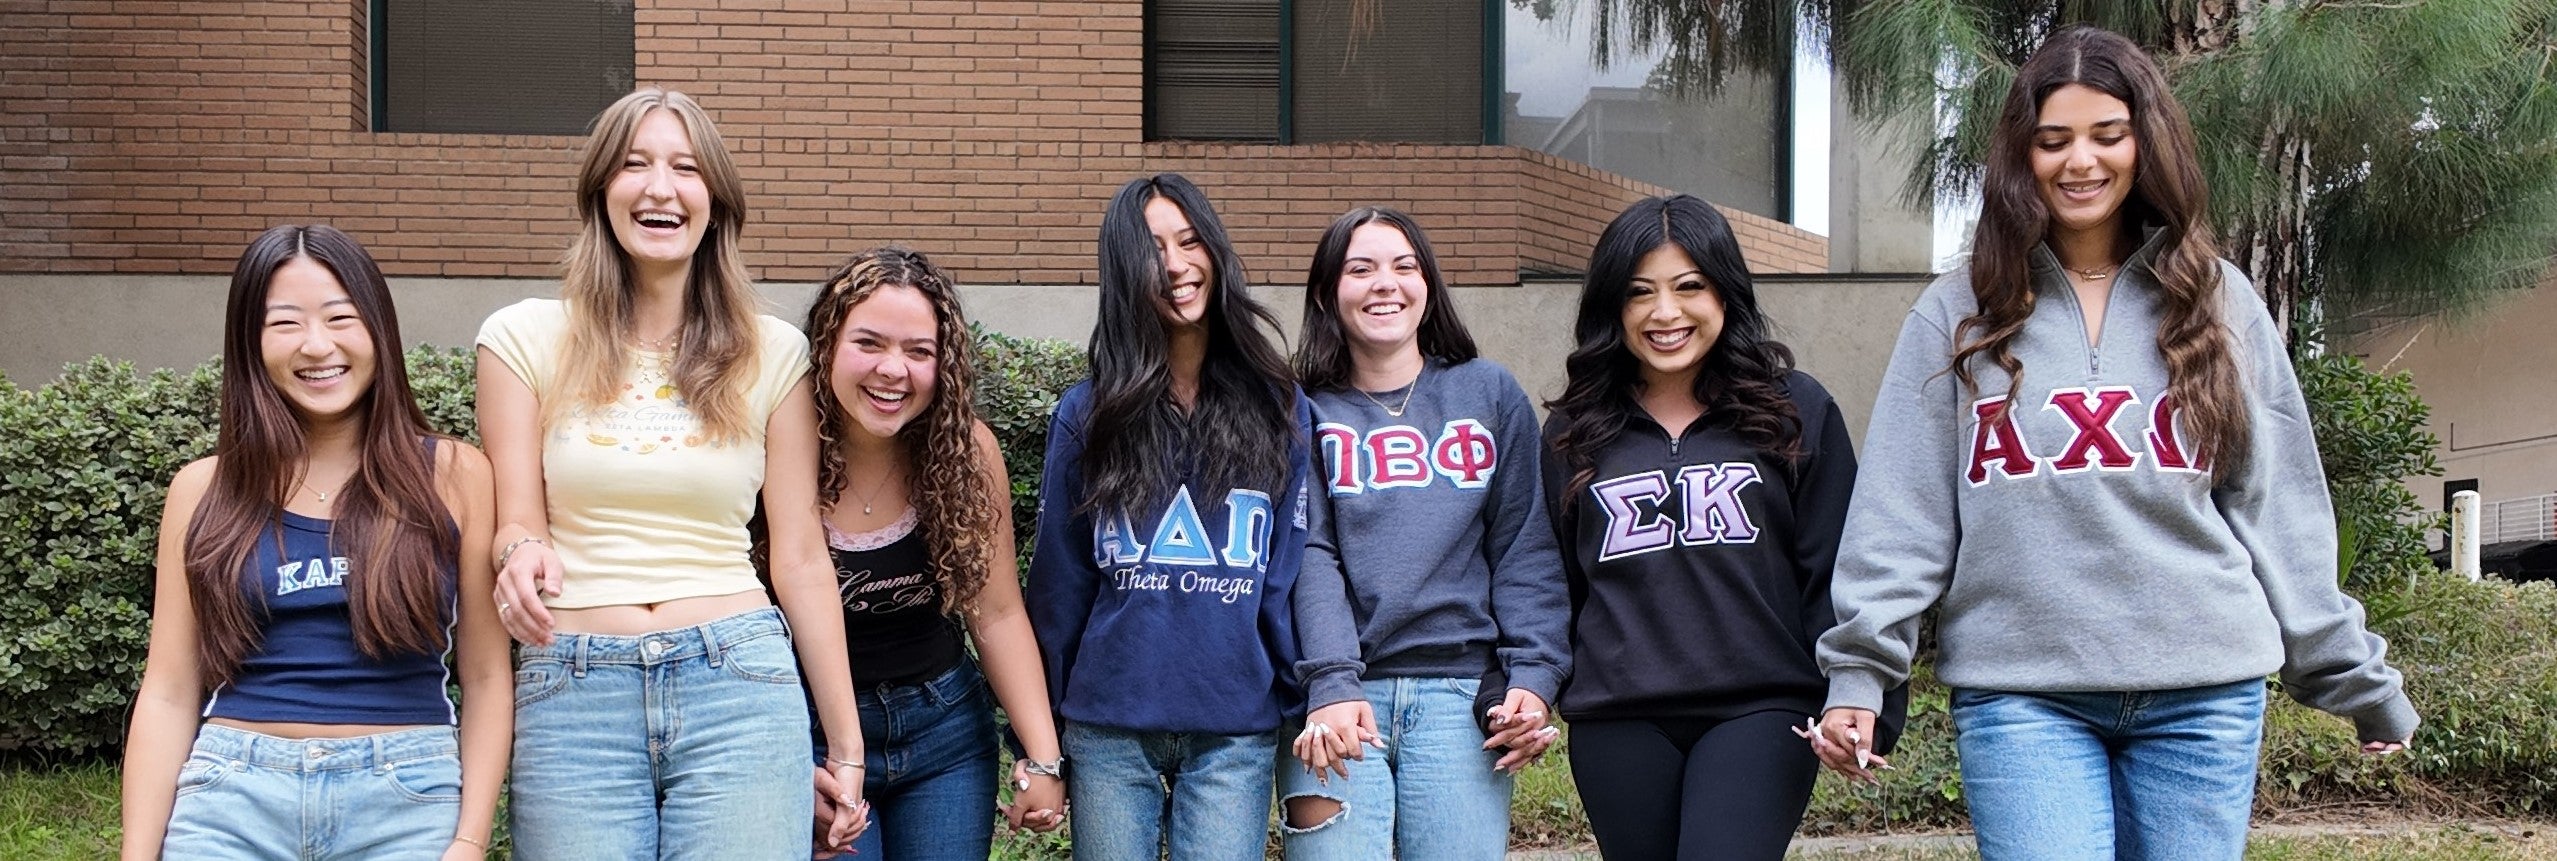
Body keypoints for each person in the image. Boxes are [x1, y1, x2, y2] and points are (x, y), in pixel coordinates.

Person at [1811, 25, 2418, 861]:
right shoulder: (1958, 312)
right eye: (2052, 141)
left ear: (2146, 143)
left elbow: (2277, 508)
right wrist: (1859, 675)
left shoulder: (2218, 301)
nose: (2080, 162)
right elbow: (1902, 513)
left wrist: (2355, 679)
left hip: (2200, 690)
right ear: (2021, 156)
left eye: (2107, 134)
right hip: (2022, 694)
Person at [473, 87, 867, 858]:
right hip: (573, 686)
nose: (661, 187)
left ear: (715, 200)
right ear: (601, 193)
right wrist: (518, 555)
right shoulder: (521, 337)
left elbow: (797, 557)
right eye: (635, 165)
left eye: (686, 168)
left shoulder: (773, 350)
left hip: (740, 684)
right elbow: (514, 518)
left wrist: (844, 747)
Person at [120, 224, 509, 861]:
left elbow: (489, 675)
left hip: (406, 794)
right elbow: (168, 689)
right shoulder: (202, 489)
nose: (316, 345)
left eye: (340, 317)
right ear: (250, 342)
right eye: (285, 324)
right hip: (232, 796)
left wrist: (469, 839)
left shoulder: (455, 475)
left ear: (379, 330)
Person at [1542, 194, 1875, 860]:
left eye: (1688, 286)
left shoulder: (1793, 410)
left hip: (1760, 706)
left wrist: (1856, 695)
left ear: (1725, 292)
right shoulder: (1575, 430)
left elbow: (1837, 566)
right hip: (1618, 714)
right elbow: (1549, 579)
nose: (1665, 313)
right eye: (1639, 293)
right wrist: (1524, 686)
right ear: (1613, 306)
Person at [1025, 172, 1313, 861]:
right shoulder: (1087, 412)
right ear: (1124, 269)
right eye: (1153, 248)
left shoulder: (1279, 406)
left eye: (1190, 241)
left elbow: (1285, 572)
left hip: (1233, 725)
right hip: (1108, 723)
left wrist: (1290, 692)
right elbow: (1059, 583)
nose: (1177, 265)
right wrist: (1040, 742)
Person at [1280, 206, 1570, 859]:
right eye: (1361, 269)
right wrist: (1330, 681)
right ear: (1329, 292)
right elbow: (1309, 553)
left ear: (1428, 285)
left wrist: (1534, 675)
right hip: (1338, 700)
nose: (1385, 283)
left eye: (1403, 266)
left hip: (1459, 693)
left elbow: (1523, 543)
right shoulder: (1301, 409)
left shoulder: (1487, 391)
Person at [789, 246, 1067, 859]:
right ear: (826, 345)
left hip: (944, 732)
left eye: (920, 351)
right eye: (869, 343)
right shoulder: (781, 450)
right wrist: (778, 760)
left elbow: (995, 612)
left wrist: (1042, 757)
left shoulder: (965, 453)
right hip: (808, 731)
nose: (894, 370)